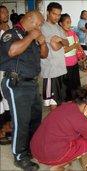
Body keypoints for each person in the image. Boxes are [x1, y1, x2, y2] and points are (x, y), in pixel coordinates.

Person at [0, 10, 48, 170]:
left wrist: (42, 42)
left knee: (35, 119)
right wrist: (32, 37)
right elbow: (12, 51)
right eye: (40, 24)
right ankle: (19, 156)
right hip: (16, 83)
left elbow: (44, 55)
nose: (41, 27)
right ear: (30, 20)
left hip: (32, 83)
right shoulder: (10, 33)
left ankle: (29, 149)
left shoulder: (33, 36)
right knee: (21, 122)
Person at [41, 2, 69, 110]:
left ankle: (58, 122)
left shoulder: (58, 28)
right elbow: (55, 47)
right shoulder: (43, 27)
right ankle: (54, 124)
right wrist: (61, 42)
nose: (57, 17)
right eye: (54, 14)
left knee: (60, 99)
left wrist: (60, 39)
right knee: (53, 102)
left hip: (61, 69)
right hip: (50, 71)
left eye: (59, 15)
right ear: (48, 13)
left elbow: (67, 42)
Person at [59, 13, 83, 101]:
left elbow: (77, 43)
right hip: (65, 65)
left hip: (74, 62)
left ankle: (75, 99)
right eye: (67, 22)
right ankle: (67, 101)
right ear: (61, 23)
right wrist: (74, 46)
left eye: (70, 22)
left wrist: (81, 53)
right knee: (67, 85)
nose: (69, 25)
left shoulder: (72, 32)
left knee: (75, 83)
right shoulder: (59, 34)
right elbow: (64, 50)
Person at [0, 5, 12, 145]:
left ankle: (7, 125)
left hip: (6, 66)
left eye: (6, 11)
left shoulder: (8, 27)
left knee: (6, 95)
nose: (6, 13)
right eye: (2, 12)